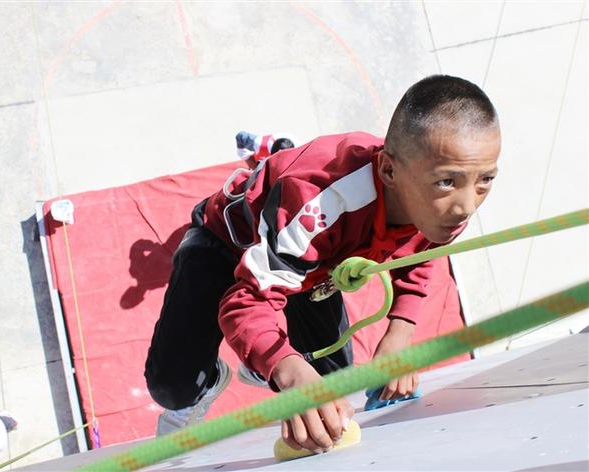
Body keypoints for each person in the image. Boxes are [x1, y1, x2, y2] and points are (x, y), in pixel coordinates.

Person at [144, 75, 501, 454]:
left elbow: (420, 252)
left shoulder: (436, 199)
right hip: (228, 243)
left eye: (486, 179)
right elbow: (244, 303)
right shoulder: (322, 205)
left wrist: (399, 334)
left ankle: (263, 356)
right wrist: (287, 371)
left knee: (332, 386)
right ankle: (217, 377)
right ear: (389, 172)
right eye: (447, 182)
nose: (467, 206)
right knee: (173, 387)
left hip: (312, 265)